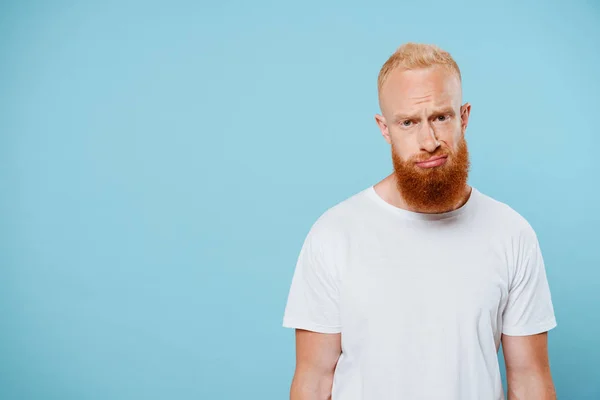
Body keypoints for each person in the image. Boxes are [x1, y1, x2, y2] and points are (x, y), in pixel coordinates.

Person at [282, 43, 557, 400]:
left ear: (464, 116)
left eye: (441, 117)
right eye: (408, 122)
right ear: (384, 128)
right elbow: (313, 381)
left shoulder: (512, 233)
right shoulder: (334, 234)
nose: (428, 141)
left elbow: (530, 379)